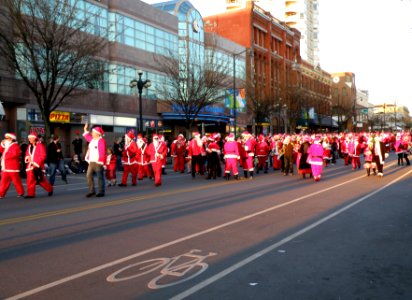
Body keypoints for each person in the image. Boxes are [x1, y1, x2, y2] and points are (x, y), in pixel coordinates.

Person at [24, 133, 53, 198]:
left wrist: (36, 163)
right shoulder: (29, 146)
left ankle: (50, 189)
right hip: (30, 166)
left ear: (34, 138)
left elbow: (43, 156)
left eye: (30, 138)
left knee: (41, 181)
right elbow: (27, 154)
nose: (29, 140)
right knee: (30, 181)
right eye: (29, 138)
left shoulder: (40, 145)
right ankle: (31, 194)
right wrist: (27, 158)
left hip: (38, 166)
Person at [83, 123, 106, 197]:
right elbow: (87, 136)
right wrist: (85, 129)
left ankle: (101, 191)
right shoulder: (92, 140)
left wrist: (101, 161)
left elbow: (102, 152)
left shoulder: (101, 141)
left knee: (100, 177)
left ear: (97, 133)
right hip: (91, 161)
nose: (91, 133)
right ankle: (92, 190)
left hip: (98, 162)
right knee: (88, 176)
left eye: (92, 132)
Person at [0, 133, 25, 198]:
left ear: (11, 139)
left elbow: (15, 154)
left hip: (13, 167)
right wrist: (2, 144)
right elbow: (1, 151)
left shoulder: (15, 146)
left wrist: (4, 156)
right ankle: (1, 194)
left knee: (16, 181)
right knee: (3, 182)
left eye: (7, 138)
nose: (5, 139)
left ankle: (21, 192)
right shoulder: (6, 146)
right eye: (5, 138)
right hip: (5, 167)